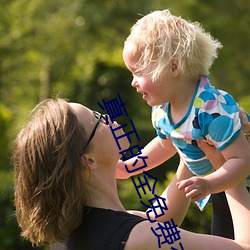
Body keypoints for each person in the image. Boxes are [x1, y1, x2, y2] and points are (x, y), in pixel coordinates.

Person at [13, 98, 250, 250]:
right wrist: (226, 165)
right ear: (88, 160)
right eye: (98, 120)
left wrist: (190, 137)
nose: (108, 118)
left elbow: (162, 220)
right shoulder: (139, 238)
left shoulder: (81, 230)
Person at [119, 9, 250, 239]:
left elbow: (242, 160)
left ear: (173, 67)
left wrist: (209, 184)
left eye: (138, 72)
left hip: (239, 185)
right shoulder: (162, 110)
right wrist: (129, 166)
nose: (132, 83)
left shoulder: (210, 109)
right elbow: (165, 145)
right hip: (219, 188)